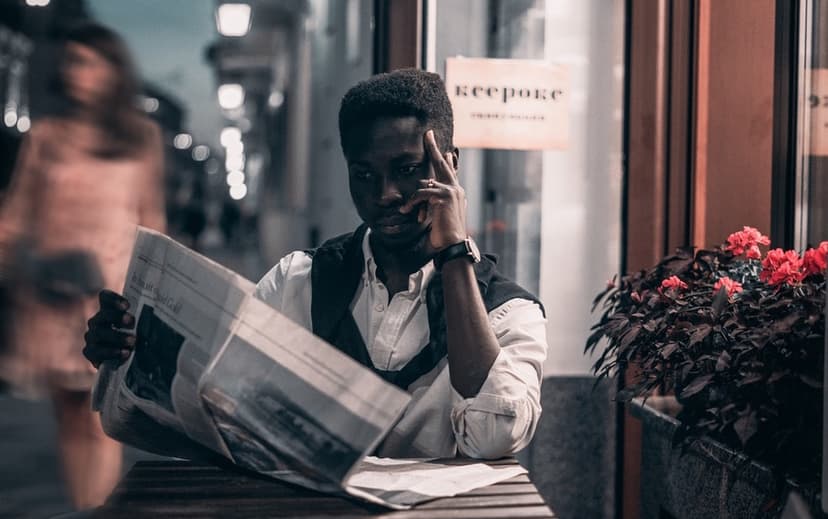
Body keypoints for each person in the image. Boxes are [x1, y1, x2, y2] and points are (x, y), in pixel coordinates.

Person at [84, 69, 546, 460]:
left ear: (449, 166)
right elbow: (216, 402)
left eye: (406, 170)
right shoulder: (298, 281)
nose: (384, 194)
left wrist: (453, 254)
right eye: (363, 175)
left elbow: (495, 437)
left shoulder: (509, 310)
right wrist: (129, 352)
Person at [0, 23, 166, 509]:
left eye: (88, 63)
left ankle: (100, 509)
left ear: (114, 72)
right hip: (50, 298)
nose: (77, 74)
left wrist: (155, 293)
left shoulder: (140, 137)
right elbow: (17, 214)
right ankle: (84, 506)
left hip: (109, 298)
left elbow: (150, 218)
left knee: (102, 420)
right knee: (70, 418)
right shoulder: (47, 136)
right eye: (71, 63)